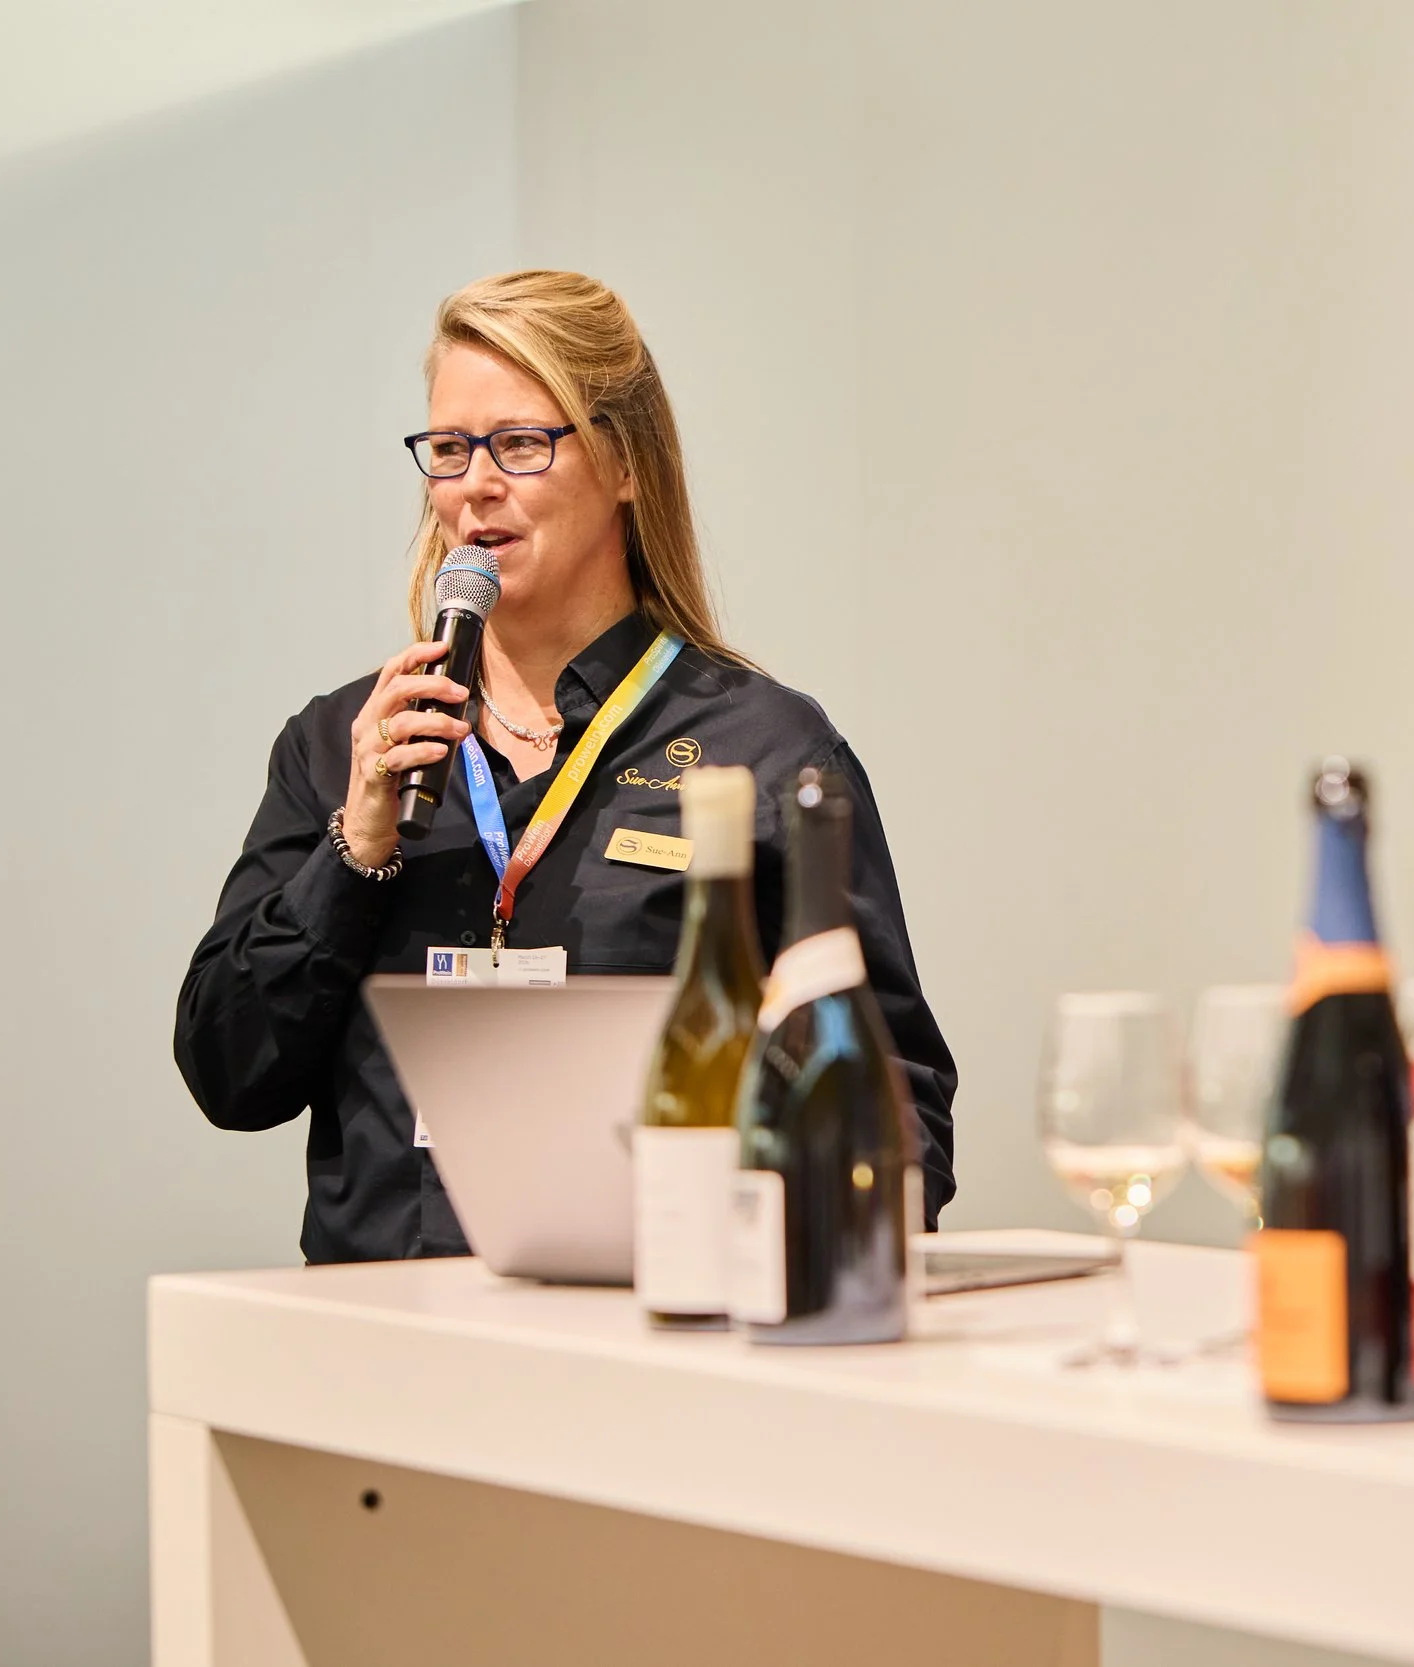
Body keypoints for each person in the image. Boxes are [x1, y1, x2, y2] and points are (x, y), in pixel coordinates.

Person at [176, 270, 956, 1263]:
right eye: (450, 450)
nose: (476, 485)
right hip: (382, 1347)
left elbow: (896, 1121)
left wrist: (742, 1259)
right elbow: (228, 1072)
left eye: (520, 443)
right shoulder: (346, 743)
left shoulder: (762, 752)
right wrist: (354, 847)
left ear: (625, 462)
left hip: (646, 1347)